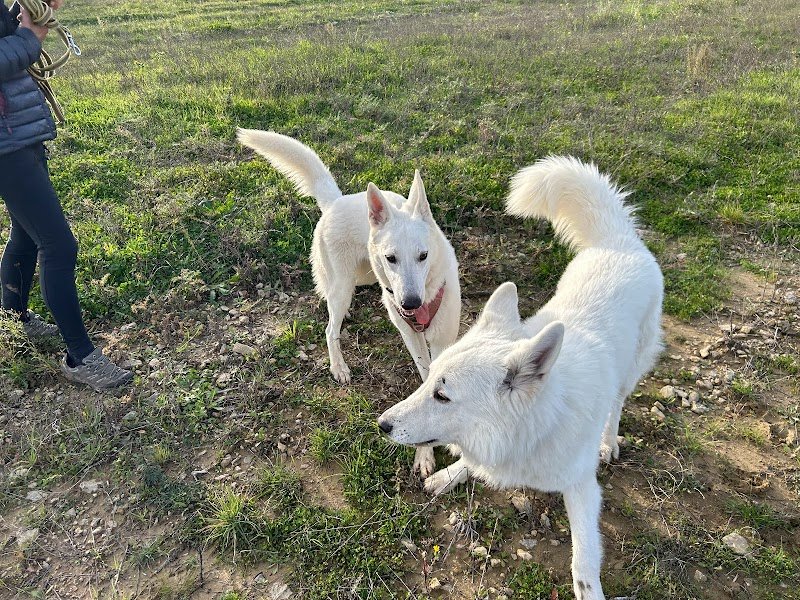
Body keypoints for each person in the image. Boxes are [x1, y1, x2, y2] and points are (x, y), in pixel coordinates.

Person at [0, 0, 132, 390]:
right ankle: (80, 356)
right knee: (58, 244)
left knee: (26, 234)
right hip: (5, 144)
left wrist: (22, 13)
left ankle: (14, 318)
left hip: (17, 131)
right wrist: (30, 37)